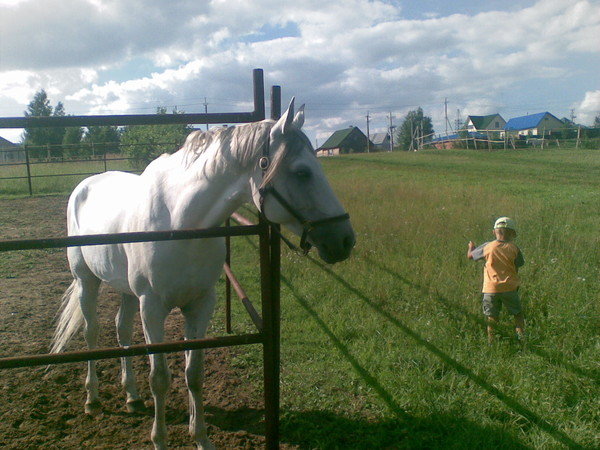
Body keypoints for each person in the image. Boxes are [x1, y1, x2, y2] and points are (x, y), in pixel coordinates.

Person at [467, 217, 525, 344]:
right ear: (513, 233)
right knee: (518, 315)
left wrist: (471, 247)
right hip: (510, 287)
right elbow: (518, 265)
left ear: (494, 232)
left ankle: (491, 342)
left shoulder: (488, 246)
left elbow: (470, 256)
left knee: (492, 317)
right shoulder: (514, 248)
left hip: (490, 288)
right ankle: (522, 339)